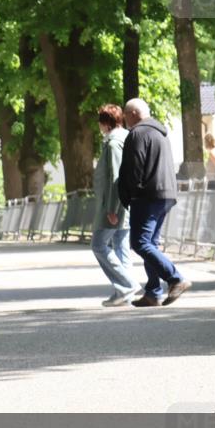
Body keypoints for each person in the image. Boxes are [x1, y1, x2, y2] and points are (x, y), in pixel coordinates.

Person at [118, 98, 191, 306]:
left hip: (146, 196)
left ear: (132, 114)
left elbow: (134, 168)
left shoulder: (138, 133)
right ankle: (153, 292)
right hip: (165, 194)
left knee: (140, 242)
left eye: (126, 116)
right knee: (150, 243)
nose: (125, 121)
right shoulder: (160, 133)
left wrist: (128, 193)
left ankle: (175, 278)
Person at [92, 104, 140, 307]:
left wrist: (112, 208)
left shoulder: (113, 144)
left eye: (100, 122)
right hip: (126, 204)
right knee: (121, 247)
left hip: (114, 205)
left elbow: (115, 178)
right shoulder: (126, 138)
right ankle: (123, 293)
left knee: (98, 245)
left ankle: (127, 285)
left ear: (105, 122)